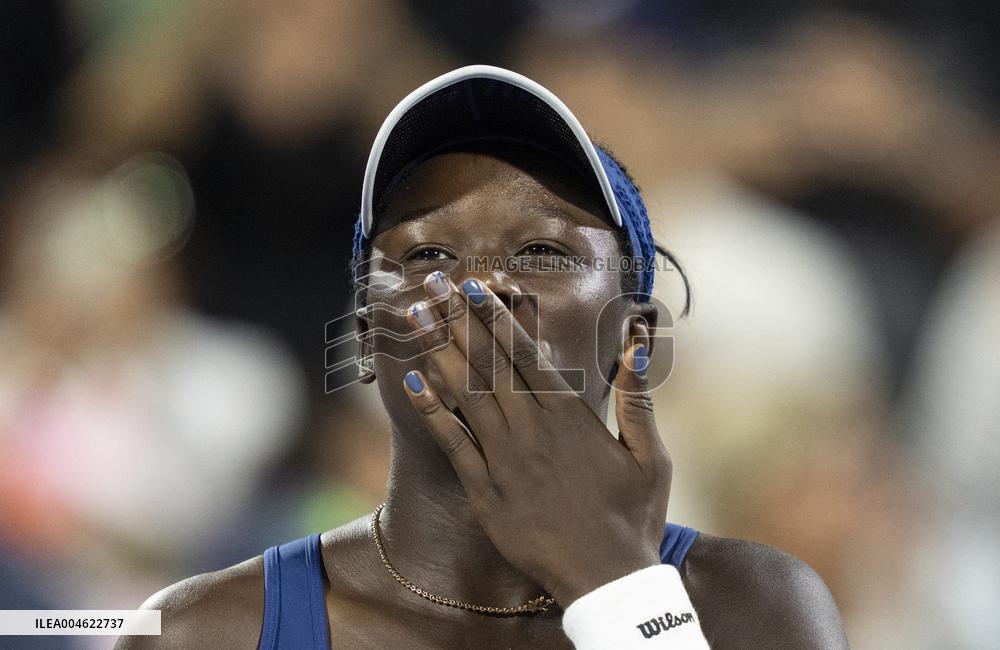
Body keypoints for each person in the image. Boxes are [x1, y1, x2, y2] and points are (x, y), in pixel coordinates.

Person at [117, 66, 847, 649]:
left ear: (636, 339)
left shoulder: (758, 606)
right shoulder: (202, 633)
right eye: (427, 254)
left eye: (543, 251)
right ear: (368, 338)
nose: (480, 286)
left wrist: (617, 585)